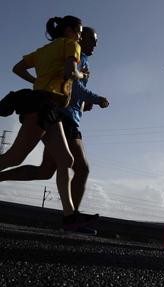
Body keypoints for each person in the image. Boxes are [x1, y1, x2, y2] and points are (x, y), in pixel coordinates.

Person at [0, 27, 108, 233]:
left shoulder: (49, 50)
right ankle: (71, 218)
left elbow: (20, 69)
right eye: (88, 38)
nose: (95, 44)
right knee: (19, 158)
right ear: (73, 33)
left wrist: (83, 103)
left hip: (54, 111)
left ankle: (70, 218)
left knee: (49, 168)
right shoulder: (72, 48)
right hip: (50, 110)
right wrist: (93, 94)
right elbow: (71, 77)